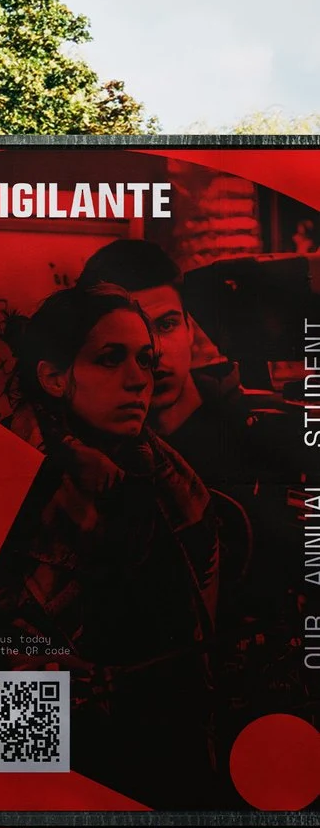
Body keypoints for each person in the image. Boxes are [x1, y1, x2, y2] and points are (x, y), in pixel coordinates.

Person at [0, 286, 243, 808]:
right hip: (52, 767)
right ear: (55, 377)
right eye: (110, 359)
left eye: (145, 361)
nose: (138, 379)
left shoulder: (173, 483)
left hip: (171, 759)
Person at [77, 238, 304, 710]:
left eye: (166, 325)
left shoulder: (270, 433)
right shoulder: (77, 464)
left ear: (191, 332)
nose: (153, 353)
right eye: (128, 337)